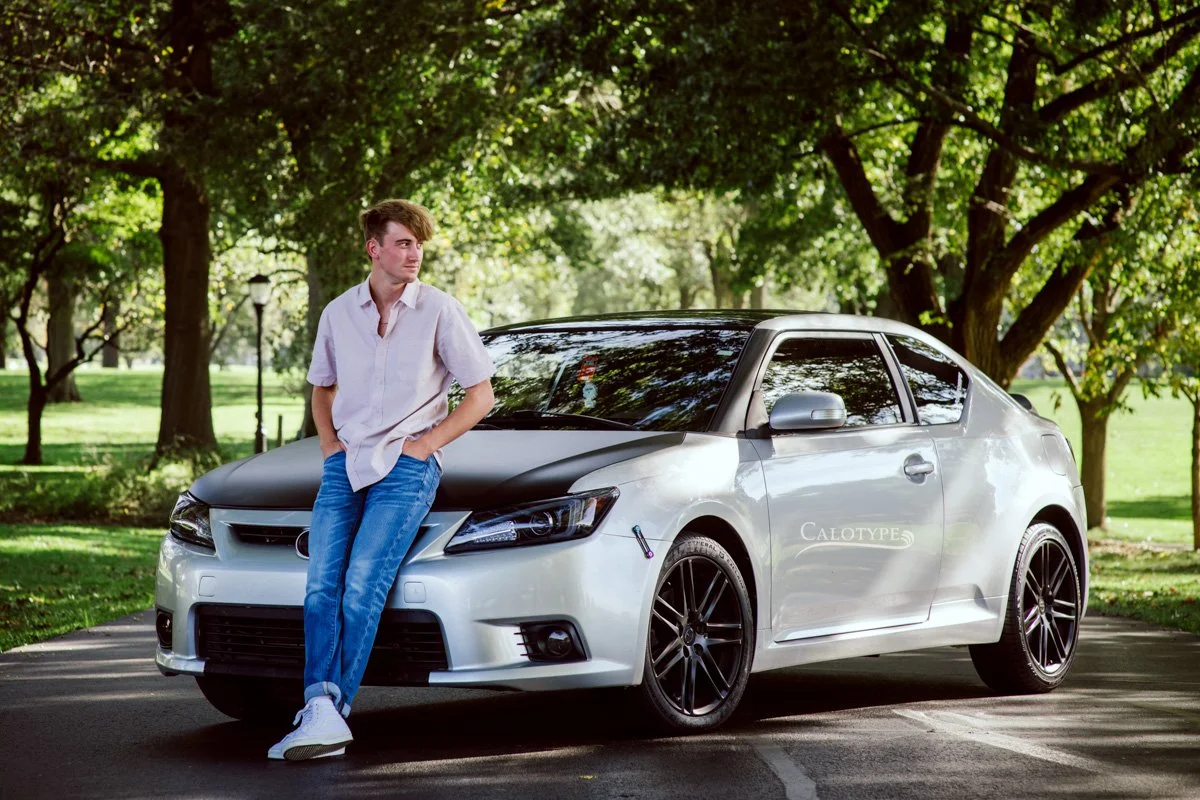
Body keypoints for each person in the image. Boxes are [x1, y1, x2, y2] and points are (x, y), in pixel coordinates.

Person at [269, 199, 495, 761]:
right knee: (321, 584)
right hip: (343, 466)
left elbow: (481, 396)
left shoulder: (441, 310)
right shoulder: (338, 314)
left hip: (404, 468)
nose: (413, 253)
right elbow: (322, 387)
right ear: (373, 248)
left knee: (364, 581)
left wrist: (423, 447)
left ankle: (330, 711)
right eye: (402, 242)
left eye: (418, 244)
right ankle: (318, 705)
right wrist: (328, 444)